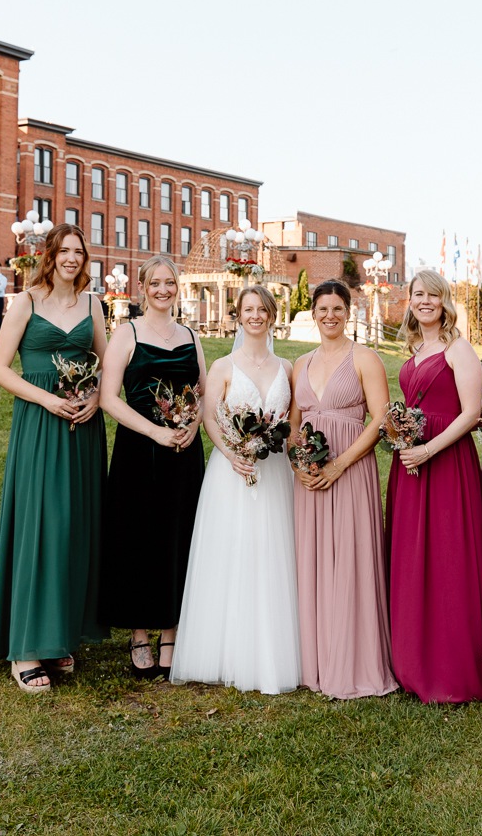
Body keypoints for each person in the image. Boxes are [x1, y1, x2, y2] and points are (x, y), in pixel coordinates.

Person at [386, 271, 482, 703]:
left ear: (445, 302)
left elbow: (470, 413)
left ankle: (452, 667)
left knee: (448, 559)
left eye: (432, 295)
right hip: (410, 464)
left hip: (446, 463)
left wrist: (428, 451)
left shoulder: (457, 348)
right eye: (417, 295)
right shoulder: (415, 348)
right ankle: (412, 660)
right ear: (409, 302)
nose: (424, 301)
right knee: (412, 557)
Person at [0, 225, 108, 692]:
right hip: (40, 426)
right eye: (65, 251)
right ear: (50, 255)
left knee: (73, 526)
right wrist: (46, 400)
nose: (72, 259)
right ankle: (26, 649)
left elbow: (106, 363)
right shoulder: (26, 302)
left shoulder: (93, 305)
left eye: (79, 252)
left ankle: (58, 637)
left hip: (82, 430)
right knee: (40, 524)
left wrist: (95, 397)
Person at [171, 285, 300, 694]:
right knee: (232, 551)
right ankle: (224, 649)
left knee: (273, 552)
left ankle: (272, 649)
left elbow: (292, 425)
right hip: (232, 470)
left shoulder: (288, 367)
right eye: (248, 309)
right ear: (238, 315)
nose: (256, 316)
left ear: (272, 315)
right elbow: (210, 419)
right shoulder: (224, 366)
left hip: (276, 471)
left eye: (263, 309)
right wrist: (233, 454)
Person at [100, 256, 206, 679]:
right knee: (138, 535)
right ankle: (139, 633)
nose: (163, 289)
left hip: (184, 452)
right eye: (155, 283)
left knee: (178, 535)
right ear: (142, 287)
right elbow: (109, 398)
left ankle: (172, 630)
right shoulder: (126, 333)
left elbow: (201, 391)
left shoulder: (191, 335)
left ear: (178, 287)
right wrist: (156, 433)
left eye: (170, 282)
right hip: (138, 450)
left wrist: (191, 426)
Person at [290, 279, 397, 699]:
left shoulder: (365, 358)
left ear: (348, 313)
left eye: (337, 309)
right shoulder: (300, 363)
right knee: (313, 560)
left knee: (350, 560)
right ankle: (315, 661)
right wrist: (300, 464)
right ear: (312, 313)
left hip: (350, 470)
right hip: (310, 478)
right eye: (322, 309)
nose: (330, 316)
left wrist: (338, 464)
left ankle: (353, 662)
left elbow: (379, 419)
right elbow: (293, 424)